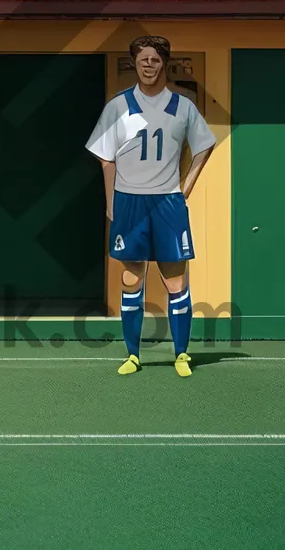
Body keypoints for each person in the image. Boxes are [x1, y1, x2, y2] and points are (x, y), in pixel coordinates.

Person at [85, 35, 217, 376]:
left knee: (176, 280)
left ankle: (182, 354)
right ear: (134, 64)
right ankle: (132, 355)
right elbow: (105, 157)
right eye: (142, 59)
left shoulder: (183, 105)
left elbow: (204, 146)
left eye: (154, 60)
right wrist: (111, 203)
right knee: (131, 278)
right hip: (130, 201)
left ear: (164, 63)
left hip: (167, 202)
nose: (148, 65)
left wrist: (186, 187)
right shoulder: (119, 106)